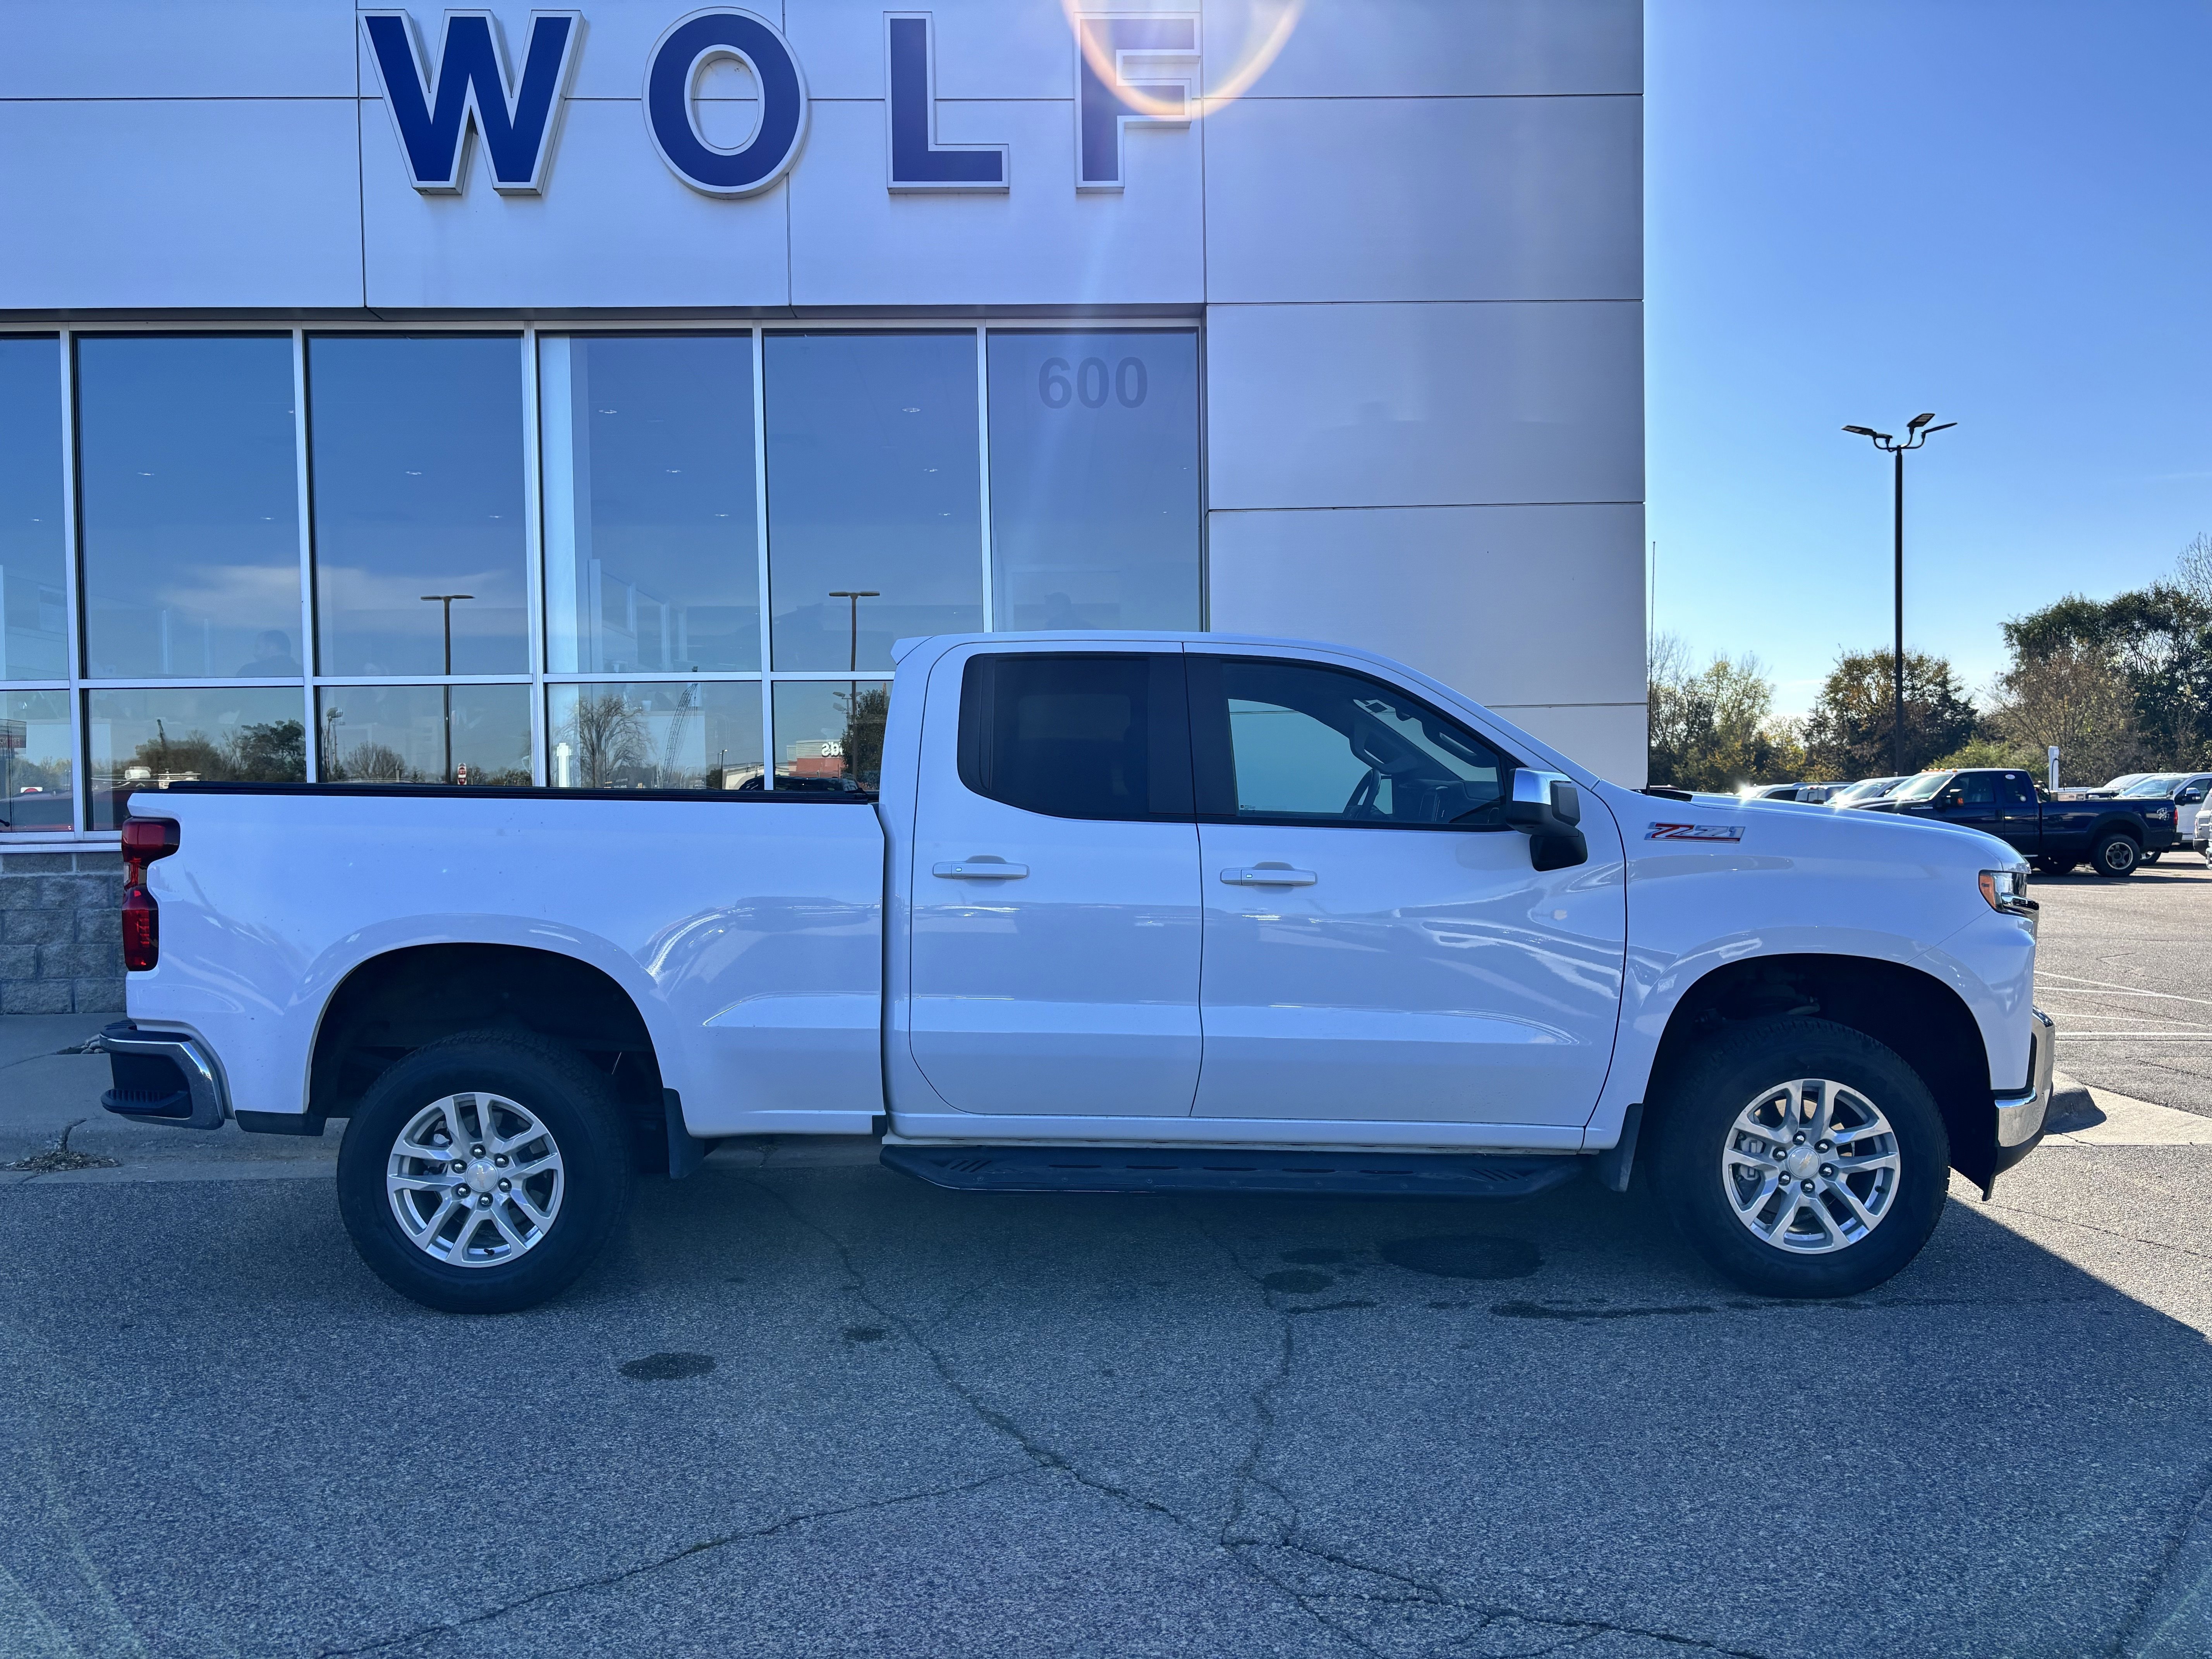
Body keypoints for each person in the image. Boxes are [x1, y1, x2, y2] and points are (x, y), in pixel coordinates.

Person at [236, 630, 302, 678]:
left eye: (258, 648)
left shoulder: (249, 671)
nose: (254, 654)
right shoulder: (302, 673)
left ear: (271, 647)